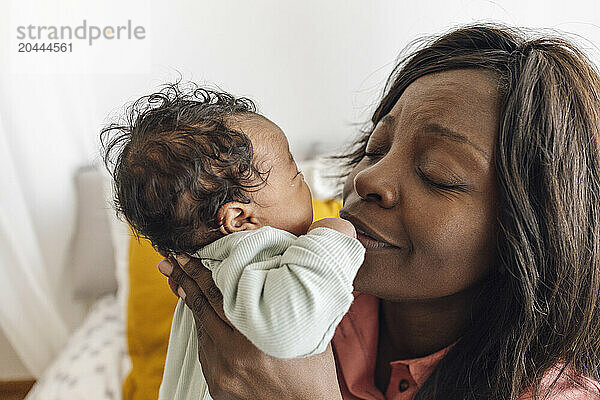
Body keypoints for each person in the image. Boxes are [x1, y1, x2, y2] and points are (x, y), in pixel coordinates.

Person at [158, 24, 600, 399]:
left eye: (437, 173)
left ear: (534, 231)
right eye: (376, 149)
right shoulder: (283, 291)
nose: (367, 180)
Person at [100, 87, 366, 399]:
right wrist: (332, 236)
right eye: (297, 177)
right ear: (239, 219)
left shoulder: (214, 266)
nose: (304, 186)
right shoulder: (251, 255)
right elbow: (288, 328)